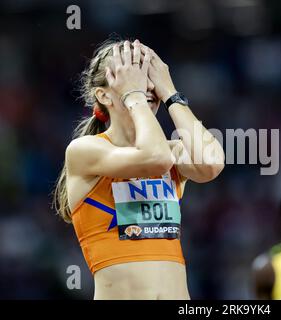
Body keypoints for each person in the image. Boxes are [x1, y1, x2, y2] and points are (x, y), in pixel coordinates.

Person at [52, 39, 224, 299]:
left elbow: (211, 164)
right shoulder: (84, 151)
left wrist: (170, 92)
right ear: (103, 94)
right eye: (129, 73)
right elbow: (154, 158)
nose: (142, 82)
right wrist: (134, 96)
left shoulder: (172, 151)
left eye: (146, 72)